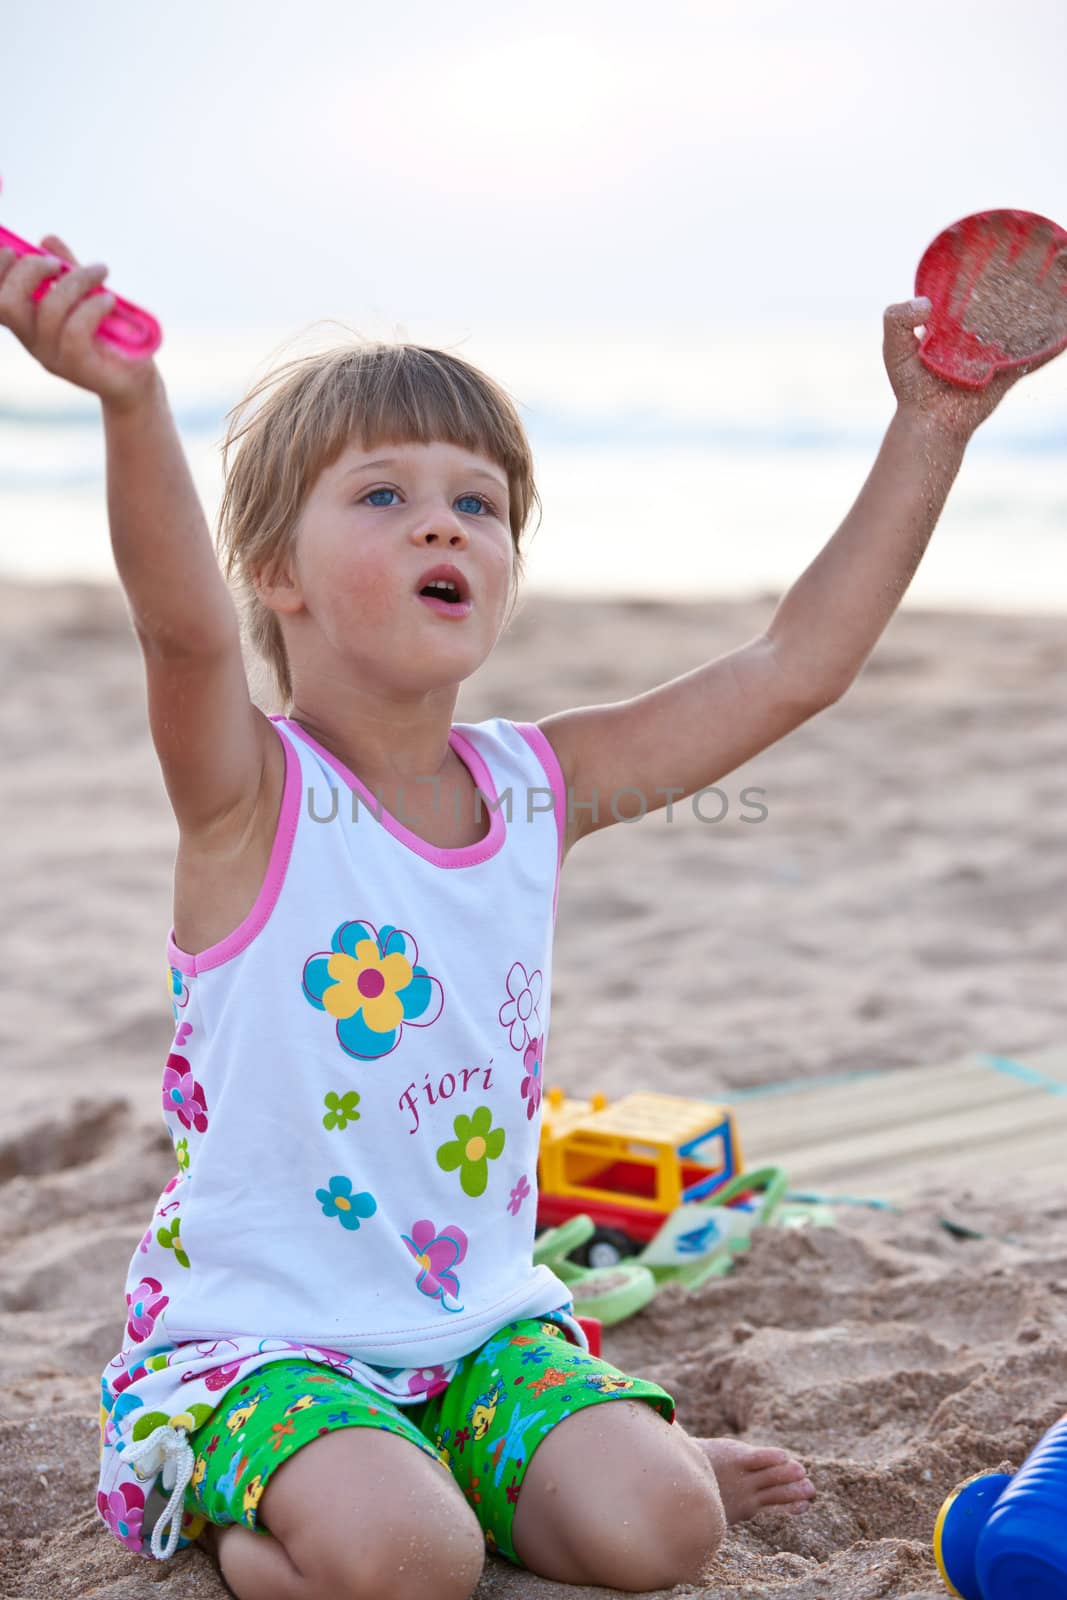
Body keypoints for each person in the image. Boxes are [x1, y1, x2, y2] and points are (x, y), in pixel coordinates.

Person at [0, 234, 1042, 1600]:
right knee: (409, 1561)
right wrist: (129, 407)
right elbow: (180, 637)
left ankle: (491, 1458)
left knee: (669, 1531)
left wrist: (936, 426)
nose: (443, 523)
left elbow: (793, 669)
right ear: (275, 571)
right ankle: (217, 1506)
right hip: (263, 1346)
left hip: (479, 1329)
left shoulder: (538, 786)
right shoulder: (248, 795)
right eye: (382, 495)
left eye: (477, 504)